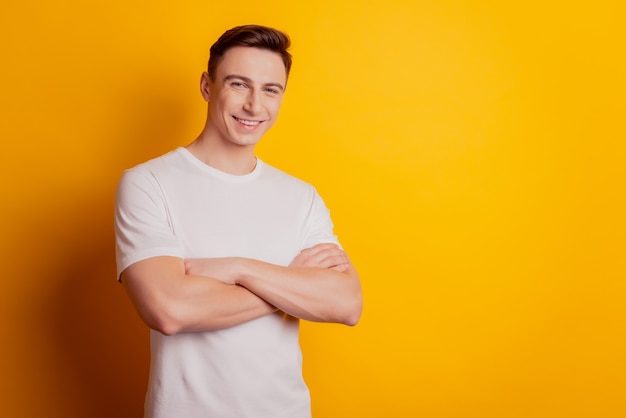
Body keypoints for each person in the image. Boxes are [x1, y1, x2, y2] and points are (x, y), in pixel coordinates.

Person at [114, 24, 362, 418]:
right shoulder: (148, 183)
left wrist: (237, 268)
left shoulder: (301, 196)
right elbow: (168, 310)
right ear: (207, 86)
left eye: (270, 90)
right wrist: (289, 281)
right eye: (239, 84)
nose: (254, 106)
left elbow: (346, 303)